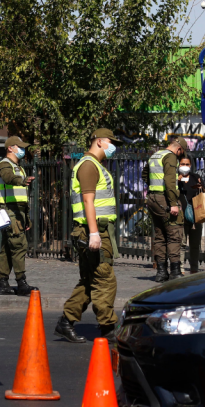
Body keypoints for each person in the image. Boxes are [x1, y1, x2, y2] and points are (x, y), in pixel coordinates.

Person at [54, 128, 121, 344]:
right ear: (100, 142)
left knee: (89, 280)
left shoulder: (92, 165)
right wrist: (94, 233)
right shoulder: (89, 166)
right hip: (94, 231)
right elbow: (88, 201)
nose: (113, 146)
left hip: (94, 230)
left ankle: (66, 322)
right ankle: (108, 327)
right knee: (104, 279)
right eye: (111, 142)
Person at [0, 136, 38, 296]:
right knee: (19, 246)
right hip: (9, 211)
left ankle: (3, 283)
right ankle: (21, 282)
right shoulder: (4, 165)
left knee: (6, 248)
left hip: (16, 212)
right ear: (10, 148)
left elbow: (21, 197)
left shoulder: (17, 166)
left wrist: (25, 216)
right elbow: (8, 177)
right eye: (20, 147)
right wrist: (21, 181)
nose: (23, 150)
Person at [142, 136, 188, 282]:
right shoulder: (170, 157)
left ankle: (161, 272)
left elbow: (145, 174)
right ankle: (175, 271)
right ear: (179, 149)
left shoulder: (155, 155)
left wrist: (154, 188)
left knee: (160, 235)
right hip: (165, 200)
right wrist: (173, 203)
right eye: (181, 153)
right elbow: (170, 181)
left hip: (152, 199)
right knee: (174, 233)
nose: (180, 156)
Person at [177, 157, 203, 274]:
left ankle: (194, 268)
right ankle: (180, 268)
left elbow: (204, 193)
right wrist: (177, 181)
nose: (184, 166)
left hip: (196, 215)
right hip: (181, 215)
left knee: (195, 244)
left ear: (191, 165)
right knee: (181, 243)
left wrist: (200, 186)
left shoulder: (195, 177)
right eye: (182, 164)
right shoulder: (175, 178)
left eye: (187, 164)